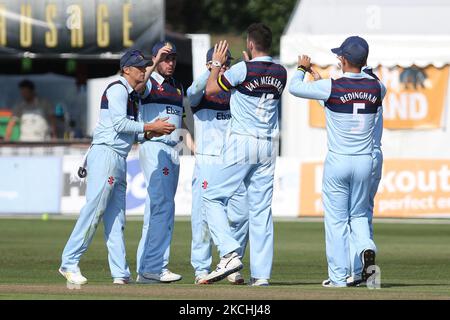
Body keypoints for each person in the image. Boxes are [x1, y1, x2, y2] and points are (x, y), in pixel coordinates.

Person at [59, 49, 175, 285]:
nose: (144, 70)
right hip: (106, 156)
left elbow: (127, 133)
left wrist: (150, 133)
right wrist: (149, 126)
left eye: (145, 67)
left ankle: (120, 273)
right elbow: (120, 124)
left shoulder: (131, 95)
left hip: (118, 157)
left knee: (116, 219)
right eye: (140, 67)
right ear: (126, 70)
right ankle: (69, 262)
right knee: (95, 210)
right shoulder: (117, 89)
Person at [289, 36, 386, 287]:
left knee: (336, 220)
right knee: (359, 215)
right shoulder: (378, 88)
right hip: (365, 161)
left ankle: (337, 277)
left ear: (343, 59)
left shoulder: (332, 86)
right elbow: (353, 93)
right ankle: (366, 249)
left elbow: (295, 88)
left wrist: (302, 68)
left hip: (339, 161)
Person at [199, 23, 287, 286]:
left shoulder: (242, 69)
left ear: (249, 44)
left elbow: (211, 90)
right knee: (260, 210)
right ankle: (261, 276)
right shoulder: (281, 71)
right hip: (269, 144)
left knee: (212, 195)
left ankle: (228, 253)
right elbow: (260, 81)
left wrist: (216, 64)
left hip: (243, 141)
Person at [187, 47, 249, 285]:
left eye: (227, 64)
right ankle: (201, 269)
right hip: (207, 160)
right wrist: (213, 67)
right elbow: (192, 91)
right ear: (210, 65)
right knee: (202, 219)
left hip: (233, 161)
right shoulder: (201, 92)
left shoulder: (234, 91)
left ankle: (232, 264)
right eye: (222, 64)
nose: (225, 68)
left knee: (241, 215)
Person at [135, 41, 184, 283]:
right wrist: (152, 64)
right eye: (165, 58)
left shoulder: (177, 86)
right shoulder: (149, 81)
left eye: (173, 58)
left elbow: (181, 124)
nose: (170, 63)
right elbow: (137, 88)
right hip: (155, 147)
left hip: (174, 150)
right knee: (163, 207)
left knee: (156, 209)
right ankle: (154, 266)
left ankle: (146, 269)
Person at [347, 65, 385, 286]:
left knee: (352, 216)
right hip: (376, 156)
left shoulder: (354, 91)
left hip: (357, 155)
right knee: (365, 213)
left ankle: (354, 269)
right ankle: (366, 273)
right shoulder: (378, 91)